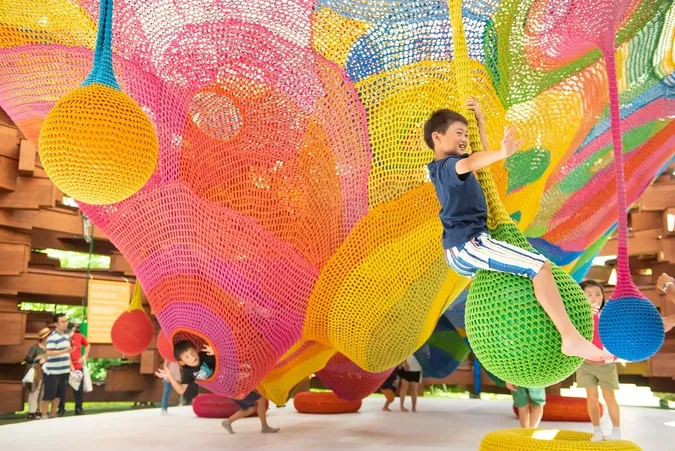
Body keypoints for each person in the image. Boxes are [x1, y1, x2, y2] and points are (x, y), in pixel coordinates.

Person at [424, 99, 611, 363]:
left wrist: (479, 121)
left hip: (466, 247)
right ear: (437, 137)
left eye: (466, 134)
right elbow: (472, 161)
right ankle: (570, 338)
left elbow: (479, 160)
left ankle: (542, 334)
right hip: (468, 245)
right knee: (539, 267)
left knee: (526, 275)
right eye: (459, 133)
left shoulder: (452, 167)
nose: (465, 139)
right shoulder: (445, 168)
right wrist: (503, 153)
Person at [154, 340, 279, 434]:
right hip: (227, 388)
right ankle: (264, 427)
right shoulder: (187, 372)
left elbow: (228, 358)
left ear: (196, 350)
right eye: (187, 357)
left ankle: (228, 422)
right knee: (260, 399)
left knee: (250, 409)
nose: (192, 357)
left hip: (231, 383)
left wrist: (216, 353)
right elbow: (181, 390)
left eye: (192, 352)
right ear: (182, 362)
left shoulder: (206, 355)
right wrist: (170, 377)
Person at [576, 280, 622, 441]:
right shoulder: (577, 316)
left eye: (598, 294)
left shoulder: (608, 315)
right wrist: (587, 315)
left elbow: (616, 336)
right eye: (589, 294)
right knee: (591, 396)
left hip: (605, 362)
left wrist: (619, 355)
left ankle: (616, 431)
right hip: (585, 361)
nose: (594, 298)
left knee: (609, 396)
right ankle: (596, 430)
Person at [41, 313, 73, 419]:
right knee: (49, 395)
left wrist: (70, 366)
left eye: (66, 321)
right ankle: (44, 415)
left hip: (64, 370)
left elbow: (67, 353)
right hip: (52, 371)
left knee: (59, 395)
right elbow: (49, 352)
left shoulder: (65, 336)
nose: (65, 323)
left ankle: (53, 414)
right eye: (62, 321)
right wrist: (64, 351)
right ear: (56, 324)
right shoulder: (52, 337)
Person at [58, 323, 90, 416]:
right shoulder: (62, 337)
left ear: (74, 329)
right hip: (64, 366)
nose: (69, 332)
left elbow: (88, 345)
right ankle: (61, 408)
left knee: (78, 388)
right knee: (62, 388)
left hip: (77, 366)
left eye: (70, 330)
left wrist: (84, 356)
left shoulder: (79, 336)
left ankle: (78, 407)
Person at [24, 327, 51, 419]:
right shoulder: (35, 348)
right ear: (43, 338)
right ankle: (32, 411)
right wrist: (39, 360)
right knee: (35, 390)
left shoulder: (50, 348)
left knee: (43, 391)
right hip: (37, 372)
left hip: (47, 372)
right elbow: (28, 359)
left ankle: (40, 410)